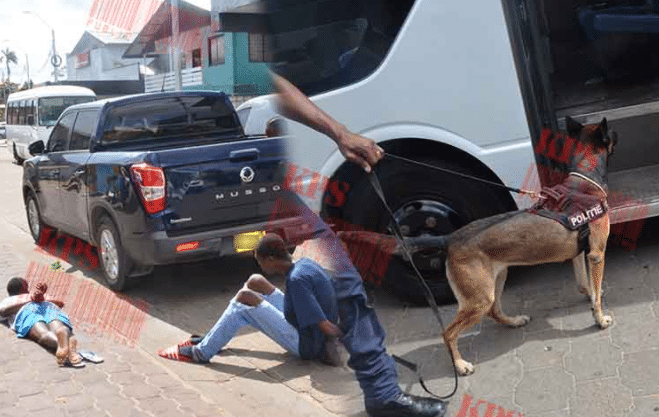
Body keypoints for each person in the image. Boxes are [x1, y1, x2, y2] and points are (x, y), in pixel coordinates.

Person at [161, 233, 444, 417]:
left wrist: (354, 345)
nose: (262, 266)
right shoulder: (304, 265)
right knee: (254, 283)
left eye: (261, 261)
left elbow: (324, 326)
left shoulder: (296, 280)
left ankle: (203, 352)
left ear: (272, 258)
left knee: (245, 299)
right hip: (304, 325)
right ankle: (212, 338)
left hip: (308, 344)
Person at [0, 277, 85, 367]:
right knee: (59, 327)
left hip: (28, 312)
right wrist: (39, 299)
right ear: (23, 288)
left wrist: (37, 298)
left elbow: (3, 312)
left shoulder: (8, 300)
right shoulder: (33, 295)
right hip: (47, 308)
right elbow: (60, 304)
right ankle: (69, 348)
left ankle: (64, 348)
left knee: (43, 334)